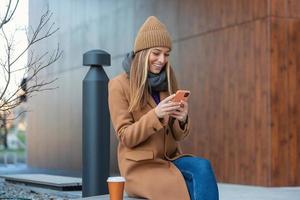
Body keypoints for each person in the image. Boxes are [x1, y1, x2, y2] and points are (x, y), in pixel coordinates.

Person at [108, 16, 219, 200]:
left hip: (170, 158)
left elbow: (176, 136)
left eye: (166, 54)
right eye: (156, 53)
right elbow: (125, 136)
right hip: (141, 165)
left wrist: (182, 120)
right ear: (143, 53)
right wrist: (156, 115)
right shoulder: (118, 85)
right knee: (175, 188)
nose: (162, 60)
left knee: (203, 167)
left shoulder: (167, 80)